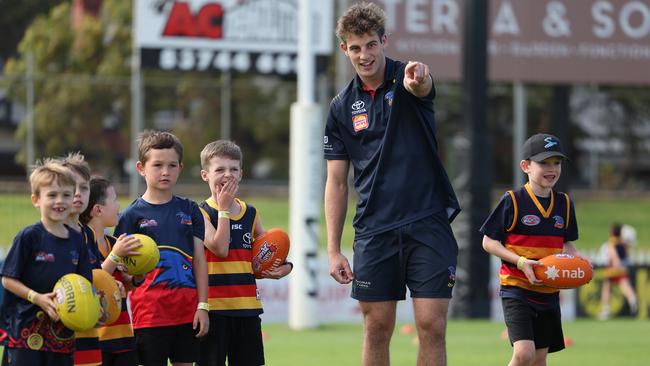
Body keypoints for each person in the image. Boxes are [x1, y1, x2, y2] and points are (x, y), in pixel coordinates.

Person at [323, 3, 460, 365]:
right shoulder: (340, 108)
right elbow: (336, 183)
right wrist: (334, 248)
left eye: (371, 44)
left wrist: (420, 80)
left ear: (384, 41)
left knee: (431, 325)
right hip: (373, 230)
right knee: (377, 327)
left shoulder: (407, 77)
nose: (364, 55)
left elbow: (423, 87)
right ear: (344, 50)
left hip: (428, 223)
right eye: (355, 47)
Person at [480, 133, 582, 366]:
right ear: (525, 166)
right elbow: (488, 242)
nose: (552, 169)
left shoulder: (565, 204)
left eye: (556, 163)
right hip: (517, 290)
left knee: (538, 359)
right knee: (524, 353)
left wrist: (577, 263)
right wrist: (521, 262)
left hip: (549, 292)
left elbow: (566, 243)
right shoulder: (513, 201)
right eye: (544, 162)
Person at [114, 130, 209, 366]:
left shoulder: (190, 209)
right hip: (149, 315)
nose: (165, 172)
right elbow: (119, 267)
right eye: (157, 165)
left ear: (180, 167)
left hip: (188, 312)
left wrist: (203, 306)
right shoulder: (130, 216)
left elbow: (199, 260)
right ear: (141, 168)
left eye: (172, 165)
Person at [196, 140, 292, 366]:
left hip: (247, 310)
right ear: (205, 175)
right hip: (213, 311)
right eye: (219, 169)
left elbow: (265, 255)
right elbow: (220, 248)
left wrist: (285, 268)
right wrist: (224, 209)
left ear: (241, 174)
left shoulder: (251, 213)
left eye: (233, 169)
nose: (227, 175)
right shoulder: (199, 212)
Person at [0, 159, 93, 365]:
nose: (60, 201)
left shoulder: (78, 241)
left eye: (66, 195)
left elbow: (86, 285)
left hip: (62, 335)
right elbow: (8, 279)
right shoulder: (29, 237)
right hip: (24, 334)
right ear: (36, 200)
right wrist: (37, 298)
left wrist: (94, 309)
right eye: (52, 195)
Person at [80, 176, 143, 365]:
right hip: (97, 339)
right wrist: (115, 256)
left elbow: (122, 288)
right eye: (114, 199)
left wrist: (136, 279)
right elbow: (93, 282)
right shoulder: (80, 242)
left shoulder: (115, 243)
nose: (119, 205)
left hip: (123, 336)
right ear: (98, 209)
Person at [60, 152, 104, 366]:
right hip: (55, 334)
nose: (78, 194)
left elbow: (92, 277)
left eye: (84, 188)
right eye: (71, 187)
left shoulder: (87, 234)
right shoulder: (41, 235)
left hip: (86, 332)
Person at [598, 223, 637, 320]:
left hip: (612, 268)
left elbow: (612, 253)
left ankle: (606, 310)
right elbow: (627, 255)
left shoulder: (612, 242)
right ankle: (632, 300)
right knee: (625, 286)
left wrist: (616, 262)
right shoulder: (623, 243)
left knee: (607, 288)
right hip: (623, 269)